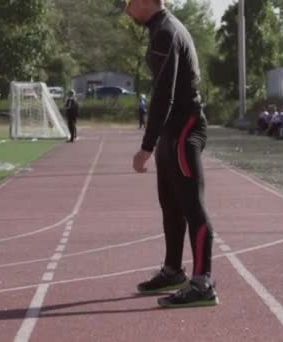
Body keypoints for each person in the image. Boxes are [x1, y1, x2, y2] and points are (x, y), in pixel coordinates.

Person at [125, 0, 218, 308]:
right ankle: (173, 269)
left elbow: (163, 94)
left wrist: (146, 147)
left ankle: (203, 281)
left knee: (192, 206)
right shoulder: (161, 29)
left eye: (129, 2)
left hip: (183, 127)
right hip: (172, 129)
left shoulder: (166, 32)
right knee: (170, 204)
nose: (126, 8)